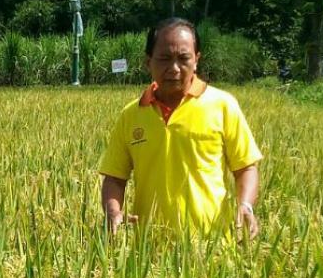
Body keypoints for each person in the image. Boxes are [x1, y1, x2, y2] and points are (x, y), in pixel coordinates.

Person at [99, 18, 262, 237]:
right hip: (148, 252)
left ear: (197, 60)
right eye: (164, 59)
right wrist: (112, 211)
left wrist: (246, 206)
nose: (174, 68)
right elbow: (115, 177)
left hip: (211, 247)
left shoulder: (222, 105)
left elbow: (245, 168)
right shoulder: (131, 115)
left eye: (183, 58)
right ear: (148, 62)